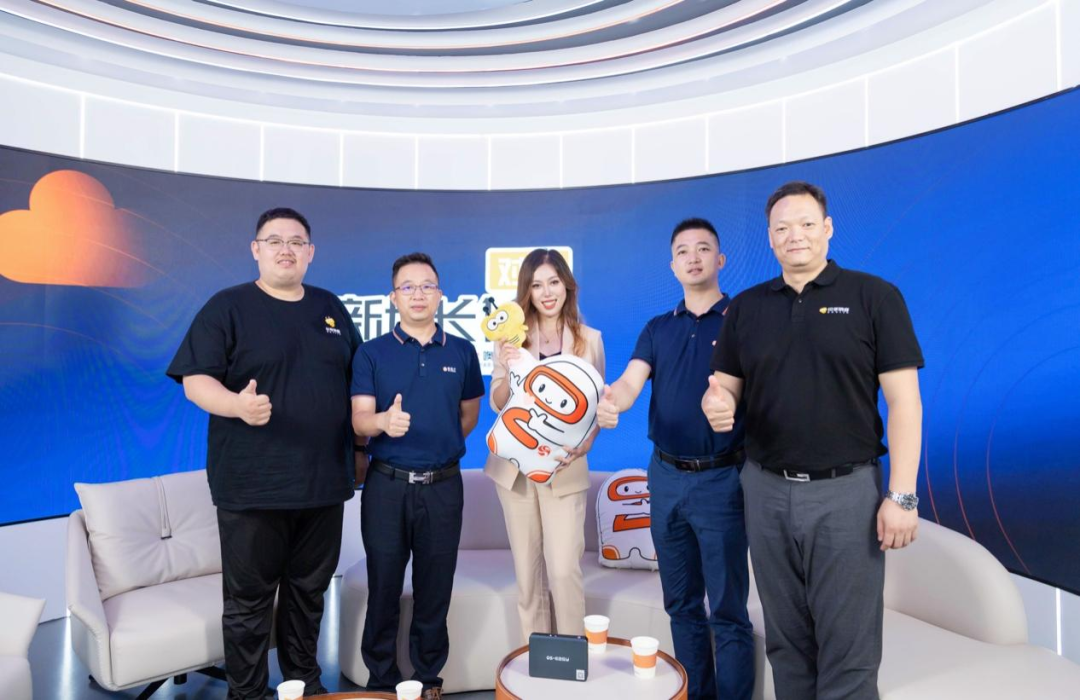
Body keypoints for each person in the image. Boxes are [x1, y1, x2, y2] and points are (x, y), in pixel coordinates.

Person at [705, 181, 923, 700]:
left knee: (848, 648)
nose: (794, 235)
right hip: (765, 489)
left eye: (806, 224)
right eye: (782, 228)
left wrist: (902, 495)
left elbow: (905, 403)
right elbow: (724, 388)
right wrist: (717, 404)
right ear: (769, 238)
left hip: (846, 492)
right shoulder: (747, 308)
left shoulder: (875, 297)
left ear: (827, 229)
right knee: (786, 642)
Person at [166, 207, 364, 699]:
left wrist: (363, 447)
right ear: (256, 250)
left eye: (296, 241)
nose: (285, 249)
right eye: (274, 240)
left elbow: (358, 382)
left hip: (323, 483)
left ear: (310, 252)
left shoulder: (331, 308)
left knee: (308, 593)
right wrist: (236, 405)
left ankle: (305, 684)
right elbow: (195, 381)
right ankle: (248, 693)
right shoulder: (227, 307)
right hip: (252, 485)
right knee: (249, 602)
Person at [596, 219, 753, 700]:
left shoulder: (743, 321)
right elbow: (630, 381)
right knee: (681, 604)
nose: (693, 257)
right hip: (664, 477)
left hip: (722, 479)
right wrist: (613, 401)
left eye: (703, 249)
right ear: (672, 265)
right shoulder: (657, 327)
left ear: (720, 260)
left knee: (727, 610)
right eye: (683, 251)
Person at [351, 252, 484, 700]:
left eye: (427, 286)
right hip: (386, 487)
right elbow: (359, 419)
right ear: (393, 298)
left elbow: (467, 417)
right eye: (407, 287)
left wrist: (437, 444)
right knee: (384, 585)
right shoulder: (371, 352)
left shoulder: (462, 351)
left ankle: (429, 678)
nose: (418, 294)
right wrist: (383, 423)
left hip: (443, 487)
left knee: (435, 588)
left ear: (441, 295)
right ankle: (381, 681)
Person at [484, 248, 605, 641]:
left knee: (564, 571)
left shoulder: (590, 340)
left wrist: (586, 444)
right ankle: (532, 662)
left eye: (554, 282)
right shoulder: (510, 339)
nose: (547, 292)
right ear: (527, 291)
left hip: (564, 468)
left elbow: (595, 409)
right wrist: (508, 367)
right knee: (527, 574)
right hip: (514, 471)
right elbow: (498, 403)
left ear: (567, 285)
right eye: (537, 285)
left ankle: (570, 660)